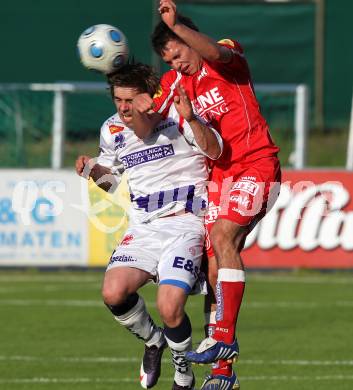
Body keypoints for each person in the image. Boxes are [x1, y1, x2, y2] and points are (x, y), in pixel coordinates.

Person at [132, 1, 282, 389]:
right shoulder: (175, 82)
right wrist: (139, 108)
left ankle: (224, 339)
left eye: (179, 54)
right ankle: (222, 374)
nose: (177, 64)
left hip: (257, 164)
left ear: (190, 41)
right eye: (169, 59)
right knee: (213, 269)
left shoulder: (223, 57)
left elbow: (215, 51)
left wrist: (176, 24)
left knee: (222, 237)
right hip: (218, 177)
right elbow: (147, 124)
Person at [75, 61, 223, 390]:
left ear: (150, 94)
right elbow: (111, 183)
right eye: (118, 101)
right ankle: (154, 341)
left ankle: (183, 371)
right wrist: (90, 170)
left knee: (170, 306)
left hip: (186, 223)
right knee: (113, 292)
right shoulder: (112, 129)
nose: (124, 108)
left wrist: (193, 118)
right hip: (143, 227)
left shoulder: (179, 115)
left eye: (131, 100)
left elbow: (215, 150)